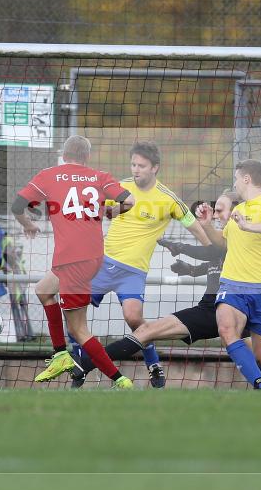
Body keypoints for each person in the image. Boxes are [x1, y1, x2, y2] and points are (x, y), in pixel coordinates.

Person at [71, 192, 261, 390]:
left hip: (220, 309)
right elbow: (212, 257)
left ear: (236, 210)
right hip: (221, 310)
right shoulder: (226, 238)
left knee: (146, 331)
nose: (215, 212)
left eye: (220, 208)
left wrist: (184, 242)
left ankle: (85, 361)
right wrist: (189, 267)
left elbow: (215, 249)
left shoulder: (239, 235)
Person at [12, 135, 136, 388]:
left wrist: (28, 224)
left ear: (64, 154)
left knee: (79, 329)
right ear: (86, 157)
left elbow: (17, 205)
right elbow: (130, 200)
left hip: (73, 260)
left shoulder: (49, 175)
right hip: (89, 256)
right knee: (44, 291)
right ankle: (59, 354)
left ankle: (120, 380)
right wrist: (112, 211)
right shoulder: (100, 176)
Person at [87, 141, 211, 388]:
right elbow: (98, 213)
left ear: (155, 168)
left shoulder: (168, 199)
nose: (136, 169)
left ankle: (153, 364)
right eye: (133, 164)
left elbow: (194, 226)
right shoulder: (119, 188)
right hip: (102, 264)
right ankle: (76, 363)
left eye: (141, 166)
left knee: (134, 318)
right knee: (74, 309)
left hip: (133, 272)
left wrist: (214, 251)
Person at [198, 159, 261, 390]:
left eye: (235, 178)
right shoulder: (238, 210)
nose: (235, 183)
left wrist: (251, 227)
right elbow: (223, 244)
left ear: (246, 178)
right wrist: (206, 226)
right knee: (226, 329)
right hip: (233, 284)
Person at [3, 235, 35, 342]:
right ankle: (20, 334)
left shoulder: (17, 260)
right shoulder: (7, 262)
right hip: (14, 289)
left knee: (23, 309)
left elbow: (22, 272)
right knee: (17, 309)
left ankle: (28, 333)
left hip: (20, 288)